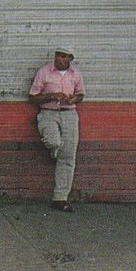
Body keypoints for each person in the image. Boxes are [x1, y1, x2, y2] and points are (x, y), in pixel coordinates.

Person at [29, 46, 85, 212]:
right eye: (57, 56)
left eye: (63, 57)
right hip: (48, 113)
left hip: (69, 113)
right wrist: (52, 96)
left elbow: (81, 94)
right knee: (53, 141)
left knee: (68, 157)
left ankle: (60, 198)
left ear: (70, 59)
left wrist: (74, 98)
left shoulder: (76, 74)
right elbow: (33, 97)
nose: (59, 59)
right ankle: (54, 151)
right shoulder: (44, 72)